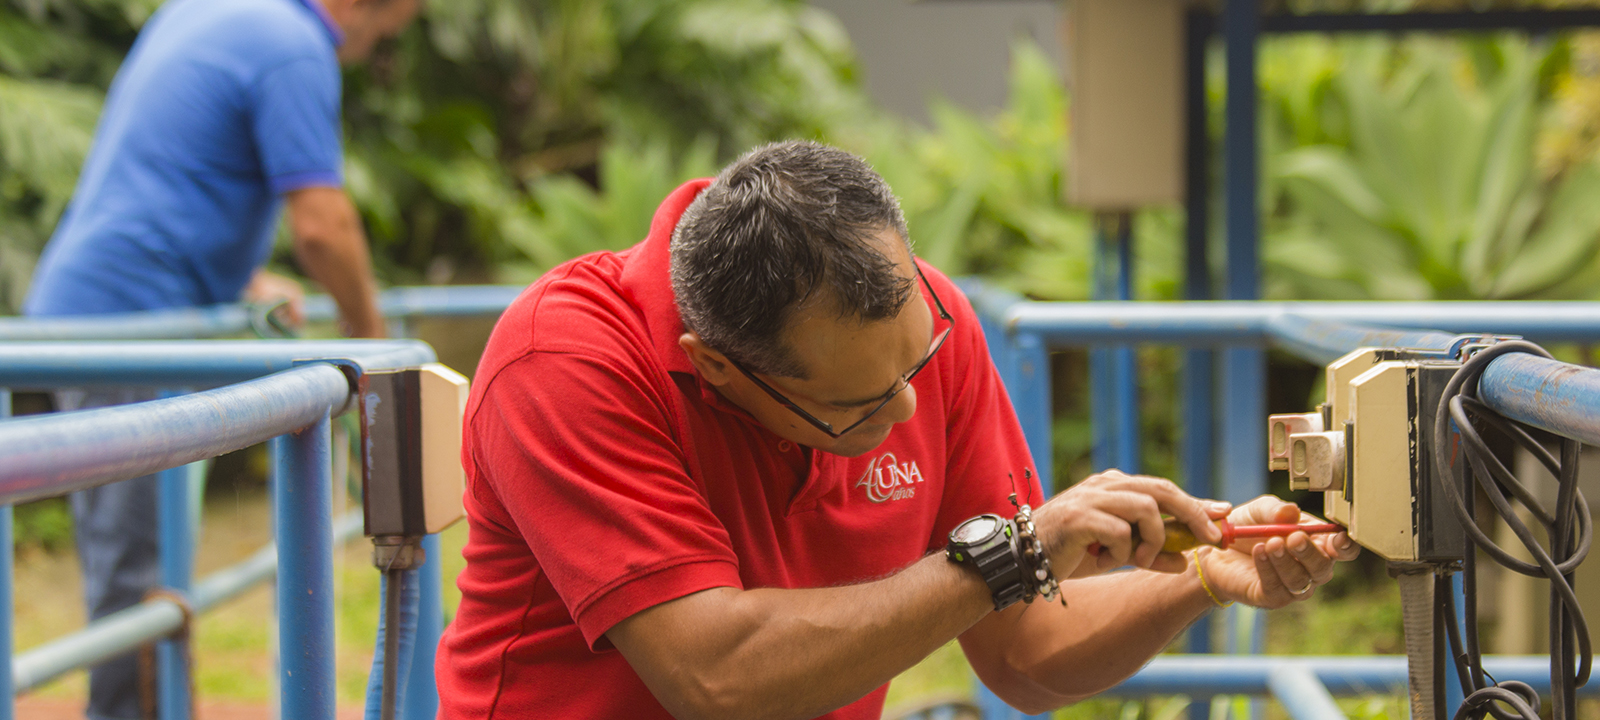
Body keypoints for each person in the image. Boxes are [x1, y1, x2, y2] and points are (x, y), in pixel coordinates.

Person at [436, 140, 1361, 719]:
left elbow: (1025, 654)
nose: (908, 411)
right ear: (716, 365)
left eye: (915, 367)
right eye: (858, 406)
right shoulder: (562, 362)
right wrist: (1006, 556)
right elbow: (716, 677)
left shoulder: (928, 329)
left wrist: (1199, 579)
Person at [21, 0, 419, 717]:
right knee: (136, 572)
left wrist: (239, 279)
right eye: (388, 31)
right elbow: (323, 226)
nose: (374, 49)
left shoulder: (218, 10)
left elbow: (171, 164)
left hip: (110, 305)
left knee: (144, 563)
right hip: (122, 322)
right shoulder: (295, 46)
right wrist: (372, 346)